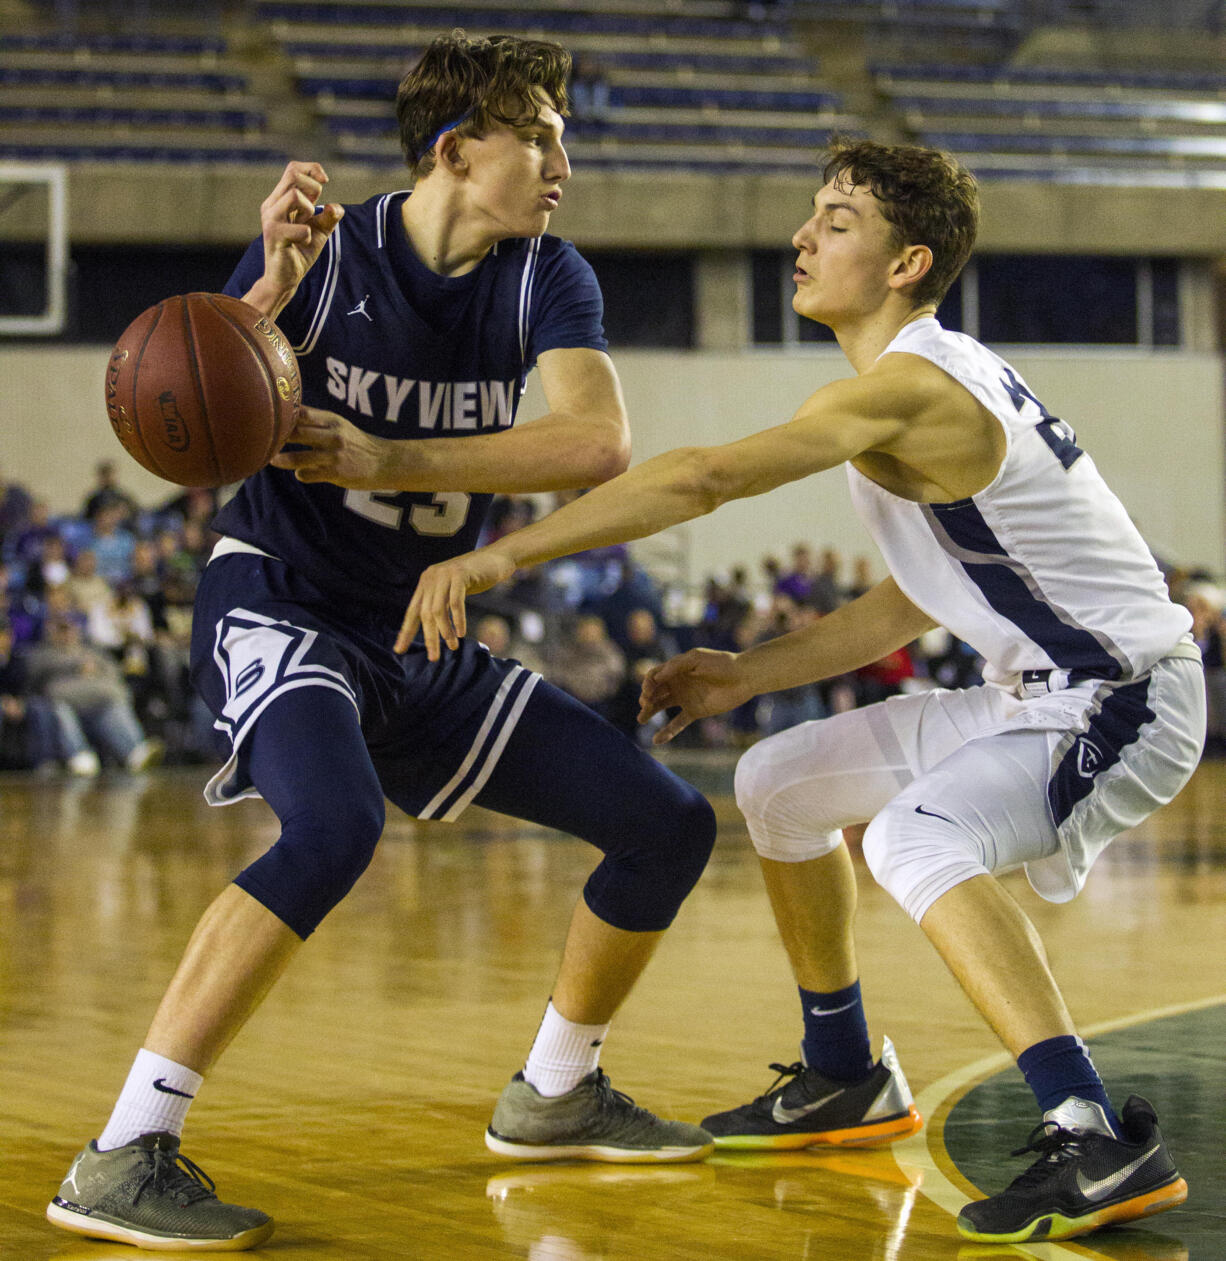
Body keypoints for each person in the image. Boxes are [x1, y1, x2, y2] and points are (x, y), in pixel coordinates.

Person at [401, 138, 1203, 1246]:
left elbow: (700, 478)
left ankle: (1090, 1134)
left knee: (914, 843)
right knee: (778, 783)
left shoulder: (914, 388)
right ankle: (843, 1074)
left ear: (903, 263)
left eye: (834, 220)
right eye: (811, 214)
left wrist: (501, 558)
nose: (800, 235)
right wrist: (746, 675)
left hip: (1121, 697)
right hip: (1036, 689)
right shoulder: (920, 380)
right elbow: (908, 601)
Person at [47, 32, 715, 1253]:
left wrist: (386, 454)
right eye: (542, 135)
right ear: (459, 149)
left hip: (419, 629)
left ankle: (557, 1091)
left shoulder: (542, 278)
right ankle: (122, 1151)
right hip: (283, 600)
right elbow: (199, 406)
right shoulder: (323, 243)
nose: (565, 159)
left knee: (667, 824)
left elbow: (594, 444)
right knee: (334, 824)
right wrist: (263, 291)